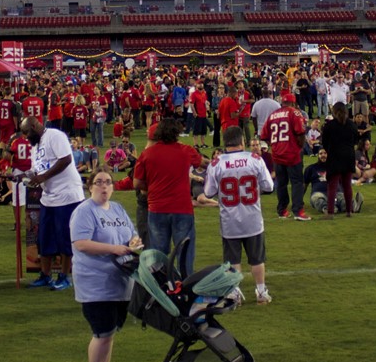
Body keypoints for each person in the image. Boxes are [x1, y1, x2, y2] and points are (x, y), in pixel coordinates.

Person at [70, 171, 145, 362]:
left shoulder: (118, 209)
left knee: (110, 333)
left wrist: (134, 244)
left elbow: (133, 236)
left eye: (108, 182)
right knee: (101, 333)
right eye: (99, 182)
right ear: (90, 186)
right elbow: (81, 243)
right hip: (96, 282)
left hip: (120, 281)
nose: (104, 187)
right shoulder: (84, 211)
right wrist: (114, 249)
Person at [203, 125, 277, 304]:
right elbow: (269, 186)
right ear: (242, 140)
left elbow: (208, 191)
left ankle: (235, 292)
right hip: (252, 218)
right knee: (257, 258)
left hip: (229, 220)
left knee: (232, 259)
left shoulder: (216, 163)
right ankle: (260, 291)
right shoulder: (255, 159)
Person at [134, 116, 206, 283]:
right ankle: (185, 286)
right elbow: (202, 162)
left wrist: (152, 186)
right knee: (185, 252)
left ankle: (160, 286)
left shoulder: (147, 154)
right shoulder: (185, 150)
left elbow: (137, 182)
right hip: (182, 208)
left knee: (158, 252)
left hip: (157, 208)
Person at [18, 114, 83, 291]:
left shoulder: (55, 136)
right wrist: (24, 175)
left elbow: (66, 159)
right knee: (44, 237)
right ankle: (45, 275)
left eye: (26, 133)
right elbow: (37, 168)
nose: (25, 137)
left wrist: (44, 177)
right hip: (48, 197)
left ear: (33, 127)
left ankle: (64, 276)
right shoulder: (35, 145)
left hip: (67, 195)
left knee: (64, 236)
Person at [262, 92, 312, 221]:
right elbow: (300, 132)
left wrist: (275, 146)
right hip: (291, 153)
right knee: (296, 182)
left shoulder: (272, 115)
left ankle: (282, 210)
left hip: (277, 154)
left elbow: (264, 136)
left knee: (282, 183)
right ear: (293, 102)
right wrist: (299, 147)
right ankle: (298, 211)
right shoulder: (294, 113)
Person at [318, 101, 364, 217]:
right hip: (348, 156)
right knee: (347, 185)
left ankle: (330, 212)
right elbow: (356, 140)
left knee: (332, 185)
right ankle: (349, 211)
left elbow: (324, 142)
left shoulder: (329, 126)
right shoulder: (351, 125)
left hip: (334, 156)